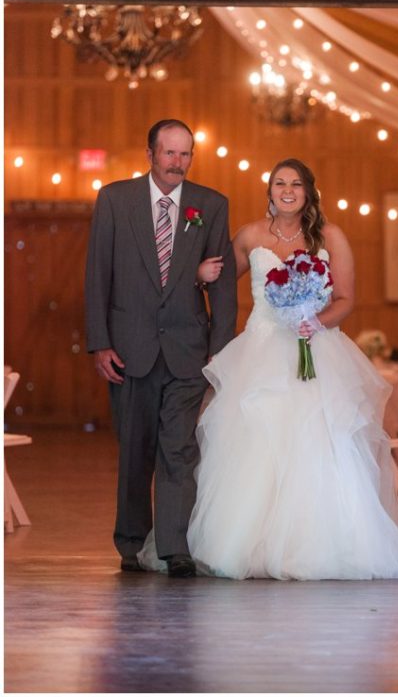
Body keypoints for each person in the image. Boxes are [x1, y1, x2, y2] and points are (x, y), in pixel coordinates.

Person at [139, 158, 398, 579]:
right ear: (269, 190)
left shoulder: (330, 236)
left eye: (296, 184)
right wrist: (197, 274)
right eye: (280, 182)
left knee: (319, 443)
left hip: (316, 349)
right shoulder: (249, 235)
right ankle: (241, 543)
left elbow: (346, 299)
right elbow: (219, 279)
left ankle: (320, 545)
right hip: (260, 350)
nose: (287, 190)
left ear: (308, 192)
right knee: (250, 444)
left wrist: (317, 321)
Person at [85, 119, 238, 578]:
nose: (177, 163)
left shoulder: (210, 205)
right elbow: (98, 275)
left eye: (185, 154)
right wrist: (100, 343)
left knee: (179, 450)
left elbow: (224, 284)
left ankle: (174, 547)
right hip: (130, 349)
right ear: (150, 153)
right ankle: (131, 543)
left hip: (188, 350)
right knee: (135, 449)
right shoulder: (115, 199)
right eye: (169, 153)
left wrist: (221, 349)